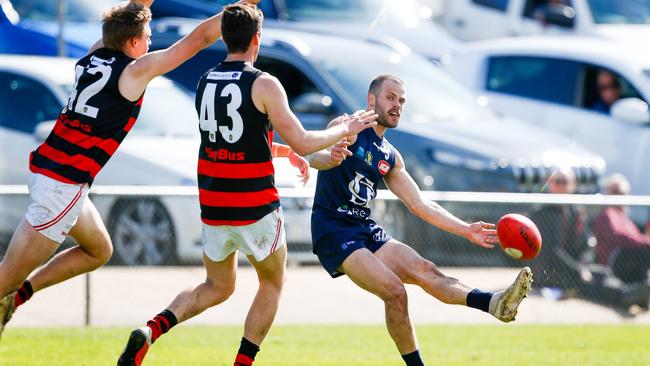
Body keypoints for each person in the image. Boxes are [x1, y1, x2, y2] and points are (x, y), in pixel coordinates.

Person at [117, 4, 376, 366]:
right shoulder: (264, 83)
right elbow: (304, 140)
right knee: (272, 282)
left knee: (217, 286)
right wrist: (346, 129)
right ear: (257, 38)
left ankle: (152, 329)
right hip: (254, 205)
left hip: (214, 203)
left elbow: (234, 139)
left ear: (225, 37)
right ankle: (243, 363)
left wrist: (282, 151)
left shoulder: (206, 80)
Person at [0, 0, 262, 339]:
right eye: (148, 36)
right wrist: (238, 9)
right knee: (6, 276)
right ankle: (12, 293)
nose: (151, 41)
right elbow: (194, 42)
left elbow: (133, 9)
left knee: (99, 250)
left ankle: (18, 296)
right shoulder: (133, 72)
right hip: (61, 186)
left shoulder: (97, 51)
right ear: (133, 42)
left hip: (51, 173)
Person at [307, 75, 533, 366]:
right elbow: (313, 154)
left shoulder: (389, 155)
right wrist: (330, 154)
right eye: (390, 97)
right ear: (371, 99)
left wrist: (466, 229)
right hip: (333, 229)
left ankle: (495, 304)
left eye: (401, 101)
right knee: (395, 291)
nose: (397, 105)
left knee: (425, 269)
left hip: (362, 228)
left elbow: (419, 204)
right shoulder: (349, 126)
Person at [529, 167, 588, 292]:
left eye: (565, 182)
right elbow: (552, 251)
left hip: (572, 267)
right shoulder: (541, 213)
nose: (561, 186)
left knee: (600, 274)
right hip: (549, 274)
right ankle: (623, 295)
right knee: (590, 283)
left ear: (573, 185)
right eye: (557, 181)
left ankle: (628, 293)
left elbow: (586, 244)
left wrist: (583, 265)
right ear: (549, 184)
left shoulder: (575, 211)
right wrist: (579, 271)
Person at [591, 174, 650, 285]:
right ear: (607, 193)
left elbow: (636, 239)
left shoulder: (626, 219)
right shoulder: (607, 215)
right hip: (614, 264)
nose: (618, 196)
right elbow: (618, 237)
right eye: (615, 192)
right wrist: (647, 242)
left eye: (622, 193)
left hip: (630, 264)